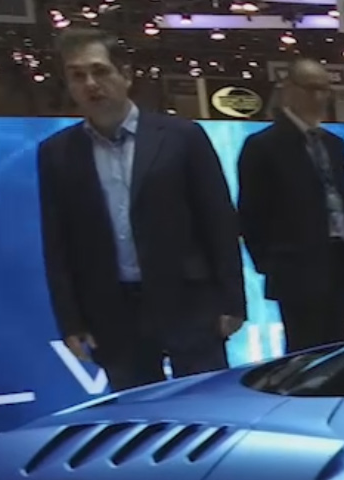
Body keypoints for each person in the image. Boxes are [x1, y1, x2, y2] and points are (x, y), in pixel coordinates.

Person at [35, 27, 245, 390]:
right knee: (137, 413)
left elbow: (218, 221)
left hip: (189, 302)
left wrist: (233, 301)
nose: (90, 84)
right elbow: (58, 244)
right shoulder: (57, 153)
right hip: (112, 310)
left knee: (207, 406)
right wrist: (70, 321)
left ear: (126, 75)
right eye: (77, 75)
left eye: (100, 71)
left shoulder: (182, 136)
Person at [236, 57, 344, 354]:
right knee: (304, 353)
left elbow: (342, 202)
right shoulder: (263, 146)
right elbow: (250, 214)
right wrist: (272, 264)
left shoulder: (334, 145)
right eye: (311, 89)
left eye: (324, 89)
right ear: (289, 89)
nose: (319, 97)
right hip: (296, 271)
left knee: (337, 351)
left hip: (339, 264)